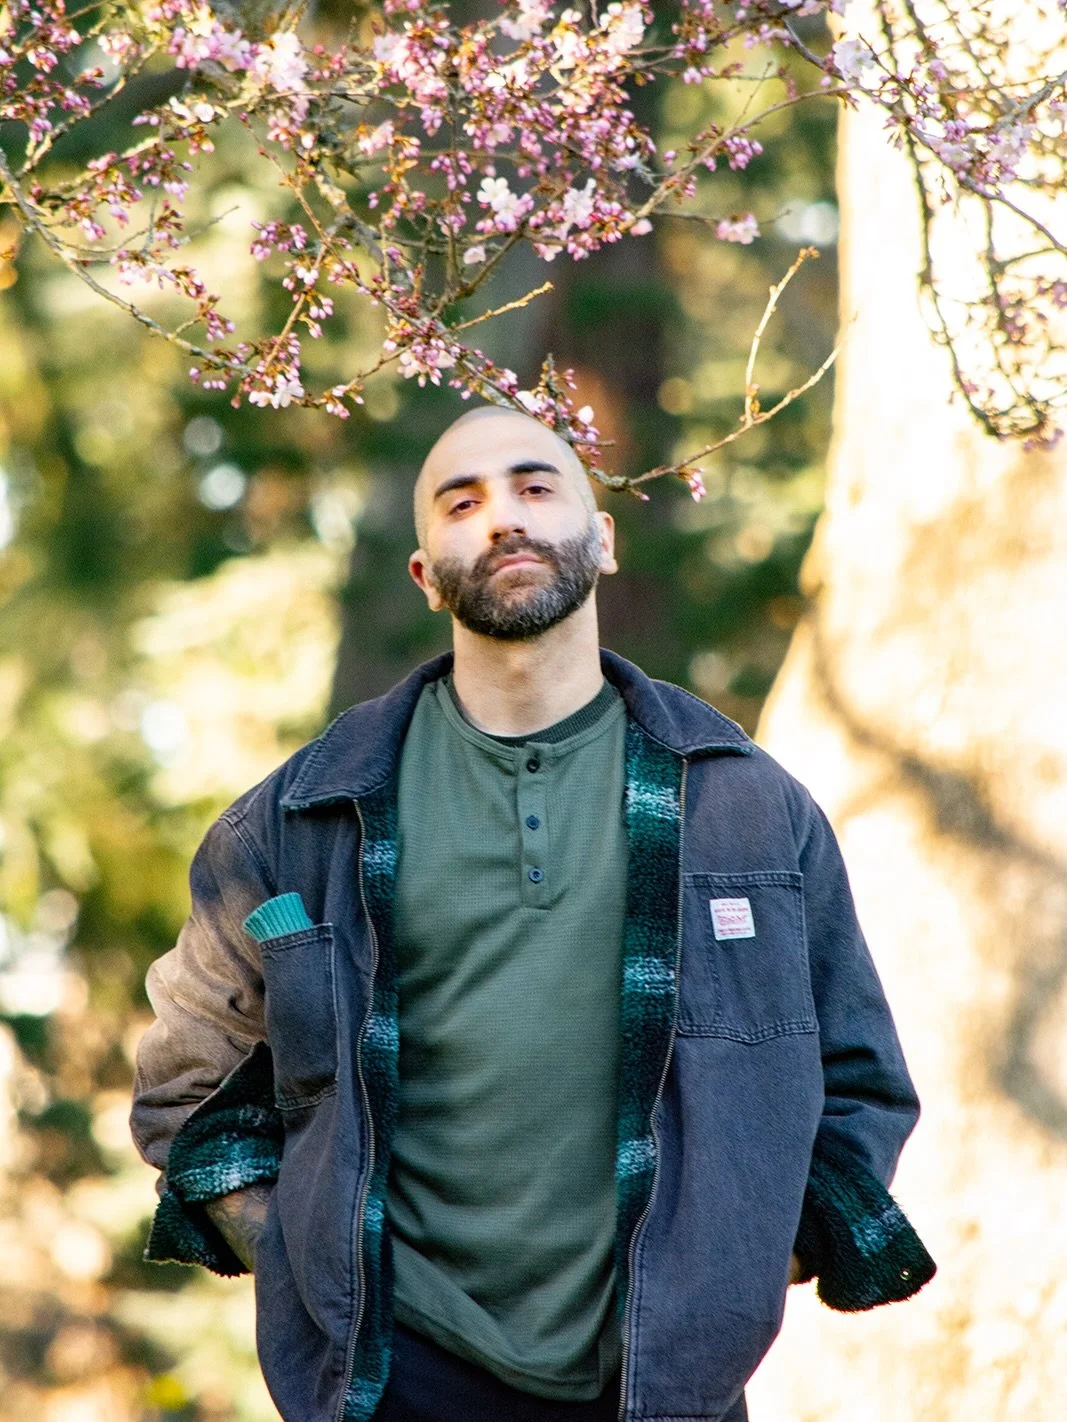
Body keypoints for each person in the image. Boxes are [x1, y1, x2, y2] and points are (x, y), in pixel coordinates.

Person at [130, 406, 935, 1422]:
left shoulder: (745, 807)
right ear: (425, 575)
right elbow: (184, 1089)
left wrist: (733, 1266)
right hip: (398, 1379)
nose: (503, 517)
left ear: (603, 538)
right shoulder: (298, 820)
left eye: (535, 487)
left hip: (663, 1384)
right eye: (460, 503)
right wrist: (307, 1261)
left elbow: (857, 1083)